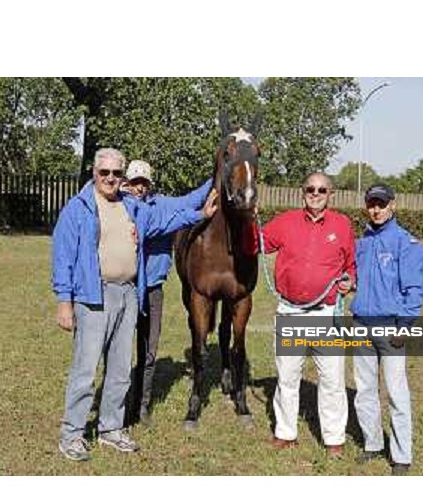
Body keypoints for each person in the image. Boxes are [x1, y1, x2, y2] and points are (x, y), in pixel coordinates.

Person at [52, 148, 217, 461]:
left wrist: (201, 214)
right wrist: (64, 302)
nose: (111, 179)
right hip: (92, 295)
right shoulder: (78, 208)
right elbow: (63, 257)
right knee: (85, 370)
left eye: (116, 173)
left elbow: (172, 217)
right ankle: (72, 434)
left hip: (129, 294)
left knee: (119, 369)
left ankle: (111, 429)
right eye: (105, 173)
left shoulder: (132, 207)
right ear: (95, 173)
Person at [252, 172, 356, 456]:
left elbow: (350, 265)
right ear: (303, 192)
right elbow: (254, 243)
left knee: (333, 380)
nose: (316, 193)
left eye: (322, 189)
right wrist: (247, 217)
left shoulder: (342, 225)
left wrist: (349, 281)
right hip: (290, 312)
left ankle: (334, 439)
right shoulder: (285, 222)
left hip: (327, 313)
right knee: (287, 377)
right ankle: (285, 433)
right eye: (310, 188)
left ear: (330, 194)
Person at [350, 183, 423, 475]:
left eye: (381, 204)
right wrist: (349, 283)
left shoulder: (405, 243)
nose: (376, 209)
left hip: (391, 327)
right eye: (372, 204)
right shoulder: (363, 243)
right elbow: (357, 278)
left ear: (393, 205)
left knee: (396, 392)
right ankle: (372, 445)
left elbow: (415, 290)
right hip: (360, 324)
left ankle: (401, 455)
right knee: (365, 389)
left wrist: (404, 325)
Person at [125, 159, 205, 427]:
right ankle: (121, 403)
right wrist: (197, 216)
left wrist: (217, 177)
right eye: (134, 182)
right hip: (125, 287)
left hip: (153, 289)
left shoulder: (162, 203)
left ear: (149, 184)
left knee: (149, 350)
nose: (139, 187)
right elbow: (153, 227)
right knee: (121, 350)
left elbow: (192, 199)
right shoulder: (120, 206)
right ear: (127, 182)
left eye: (143, 182)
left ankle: (142, 405)